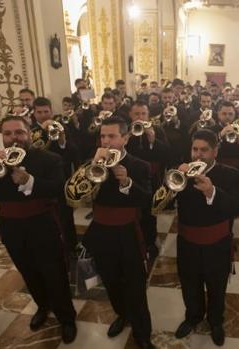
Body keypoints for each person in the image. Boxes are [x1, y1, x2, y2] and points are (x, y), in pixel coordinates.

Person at [0, 115, 77, 344]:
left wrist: (29, 181)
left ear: (29, 134)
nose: (14, 138)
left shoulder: (48, 158)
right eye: (8, 134)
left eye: (19, 132)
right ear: (2, 137)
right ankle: (43, 306)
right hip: (12, 229)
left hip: (43, 226)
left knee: (55, 275)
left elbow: (58, 189)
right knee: (29, 272)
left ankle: (67, 317)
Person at [152, 129, 239, 346]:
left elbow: (235, 208)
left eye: (204, 150)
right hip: (187, 242)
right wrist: (172, 183)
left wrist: (211, 191)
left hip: (217, 243)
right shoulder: (182, 173)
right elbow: (158, 204)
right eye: (195, 149)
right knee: (189, 284)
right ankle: (193, 317)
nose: (198, 155)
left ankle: (215, 321)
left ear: (215, 152)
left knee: (216, 286)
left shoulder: (230, 174)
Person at [71, 116, 154, 348]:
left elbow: (147, 200)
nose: (106, 141)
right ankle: (122, 314)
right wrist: (90, 168)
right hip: (101, 232)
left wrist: (127, 182)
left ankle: (142, 333)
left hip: (129, 232)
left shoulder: (139, 166)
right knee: (110, 280)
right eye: (103, 136)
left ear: (125, 138)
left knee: (135, 286)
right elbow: (75, 197)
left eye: (112, 136)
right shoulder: (92, 163)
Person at [29, 97, 80, 252]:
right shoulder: (30, 131)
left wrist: (63, 141)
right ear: (34, 113)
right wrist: (42, 133)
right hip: (40, 178)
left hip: (61, 176)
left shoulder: (61, 125)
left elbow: (73, 151)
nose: (44, 115)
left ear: (51, 111)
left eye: (46, 111)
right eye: (40, 112)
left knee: (65, 214)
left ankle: (71, 246)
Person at [126, 101, 170, 259]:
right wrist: (126, 139)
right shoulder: (125, 130)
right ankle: (133, 240)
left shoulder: (157, 129)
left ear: (148, 115)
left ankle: (150, 242)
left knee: (149, 213)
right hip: (129, 177)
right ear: (131, 115)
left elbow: (167, 152)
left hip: (151, 178)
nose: (140, 117)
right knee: (132, 211)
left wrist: (153, 141)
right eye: (136, 114)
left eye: (143, 114)